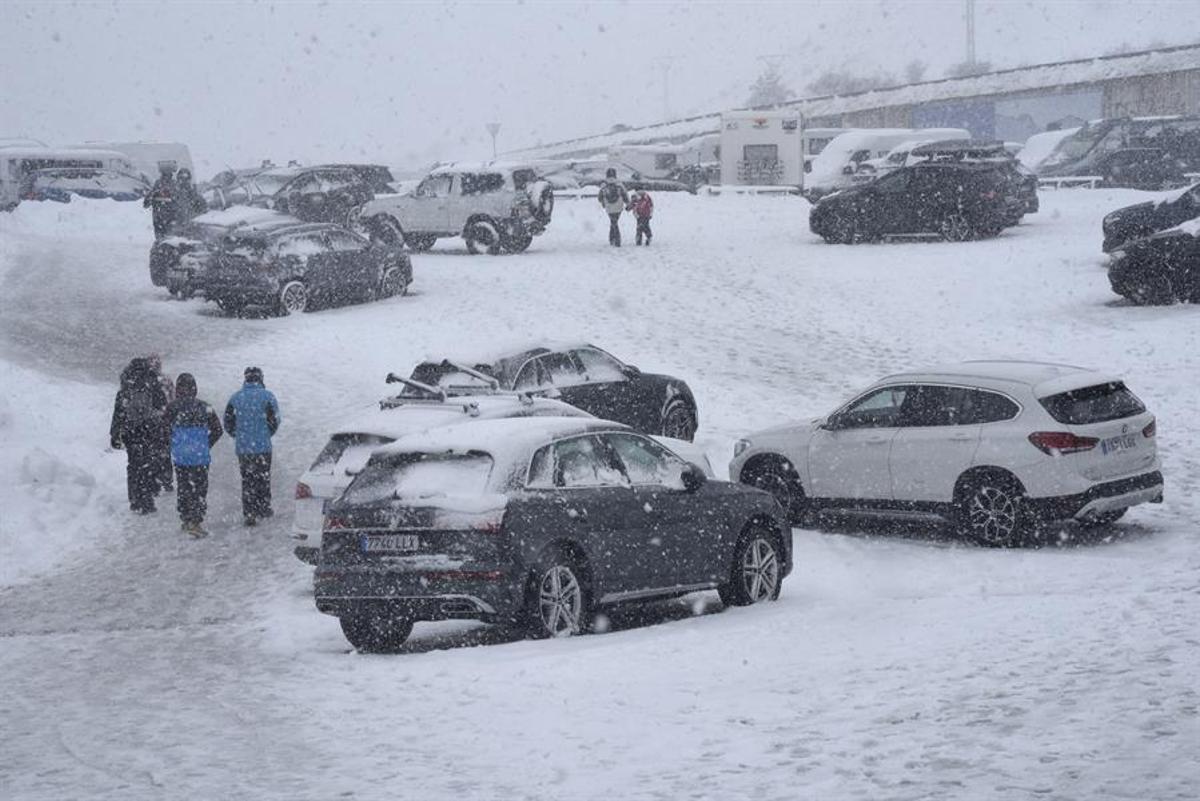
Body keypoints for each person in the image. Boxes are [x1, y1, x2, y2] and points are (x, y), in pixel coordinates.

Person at [164, 373, 223, 538]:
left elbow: (163, 430)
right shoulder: (205, 407)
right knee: (199, 488)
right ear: (194, 388)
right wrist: (205, 444)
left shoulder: (172, 408)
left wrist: (174, 444)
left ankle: (185, 518)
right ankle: (196, 521)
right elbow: (218, 430)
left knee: (184, 487)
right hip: (200, 456)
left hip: (181, 456)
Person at [110, 358, 169, 514]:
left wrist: (115, 434)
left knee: (133, 465)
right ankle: (147, 499)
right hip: (150, 431)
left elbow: (118, 413)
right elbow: (163, 408)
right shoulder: (153, 384)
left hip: (131, 433)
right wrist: (163, 431)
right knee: (148, 464)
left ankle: (134, 500)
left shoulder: (125, 388)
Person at [224, 367, 281, 527]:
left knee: (247, 479)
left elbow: (227, 422)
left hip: (244, 448)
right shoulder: (268, 396)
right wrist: (266, 434)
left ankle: (249, 511)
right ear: (261, 378)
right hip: (263, 446)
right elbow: (275, 420)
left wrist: (239, 435)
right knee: (263, 477)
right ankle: (264, 507)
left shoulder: (235, 398)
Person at [147, 354, 175, 494]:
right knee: (165, 452)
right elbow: (173, 399)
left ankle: (155, 481)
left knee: (153, 452)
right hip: (165, 421)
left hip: (151, 422)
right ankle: (167, 480)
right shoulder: (166, 380)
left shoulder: (145, 381)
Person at [144, 163, 177, 240]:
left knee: (161, 234)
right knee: (168, 234)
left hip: (159, 214)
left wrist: (148, 201)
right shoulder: (174, 184)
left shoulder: (158, 183)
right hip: (169, 215)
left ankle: (161, 244)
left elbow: (149, 197)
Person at [597, 168, 628, 247]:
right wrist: (628, 203)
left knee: (613, 222)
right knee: (614, 222)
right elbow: (625, 195)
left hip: (609, 207)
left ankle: (613, 239)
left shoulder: (604, 185)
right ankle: (615, 240)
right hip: (618, 206)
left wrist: (603, 202)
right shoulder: (619, 184)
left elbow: (599, 198)